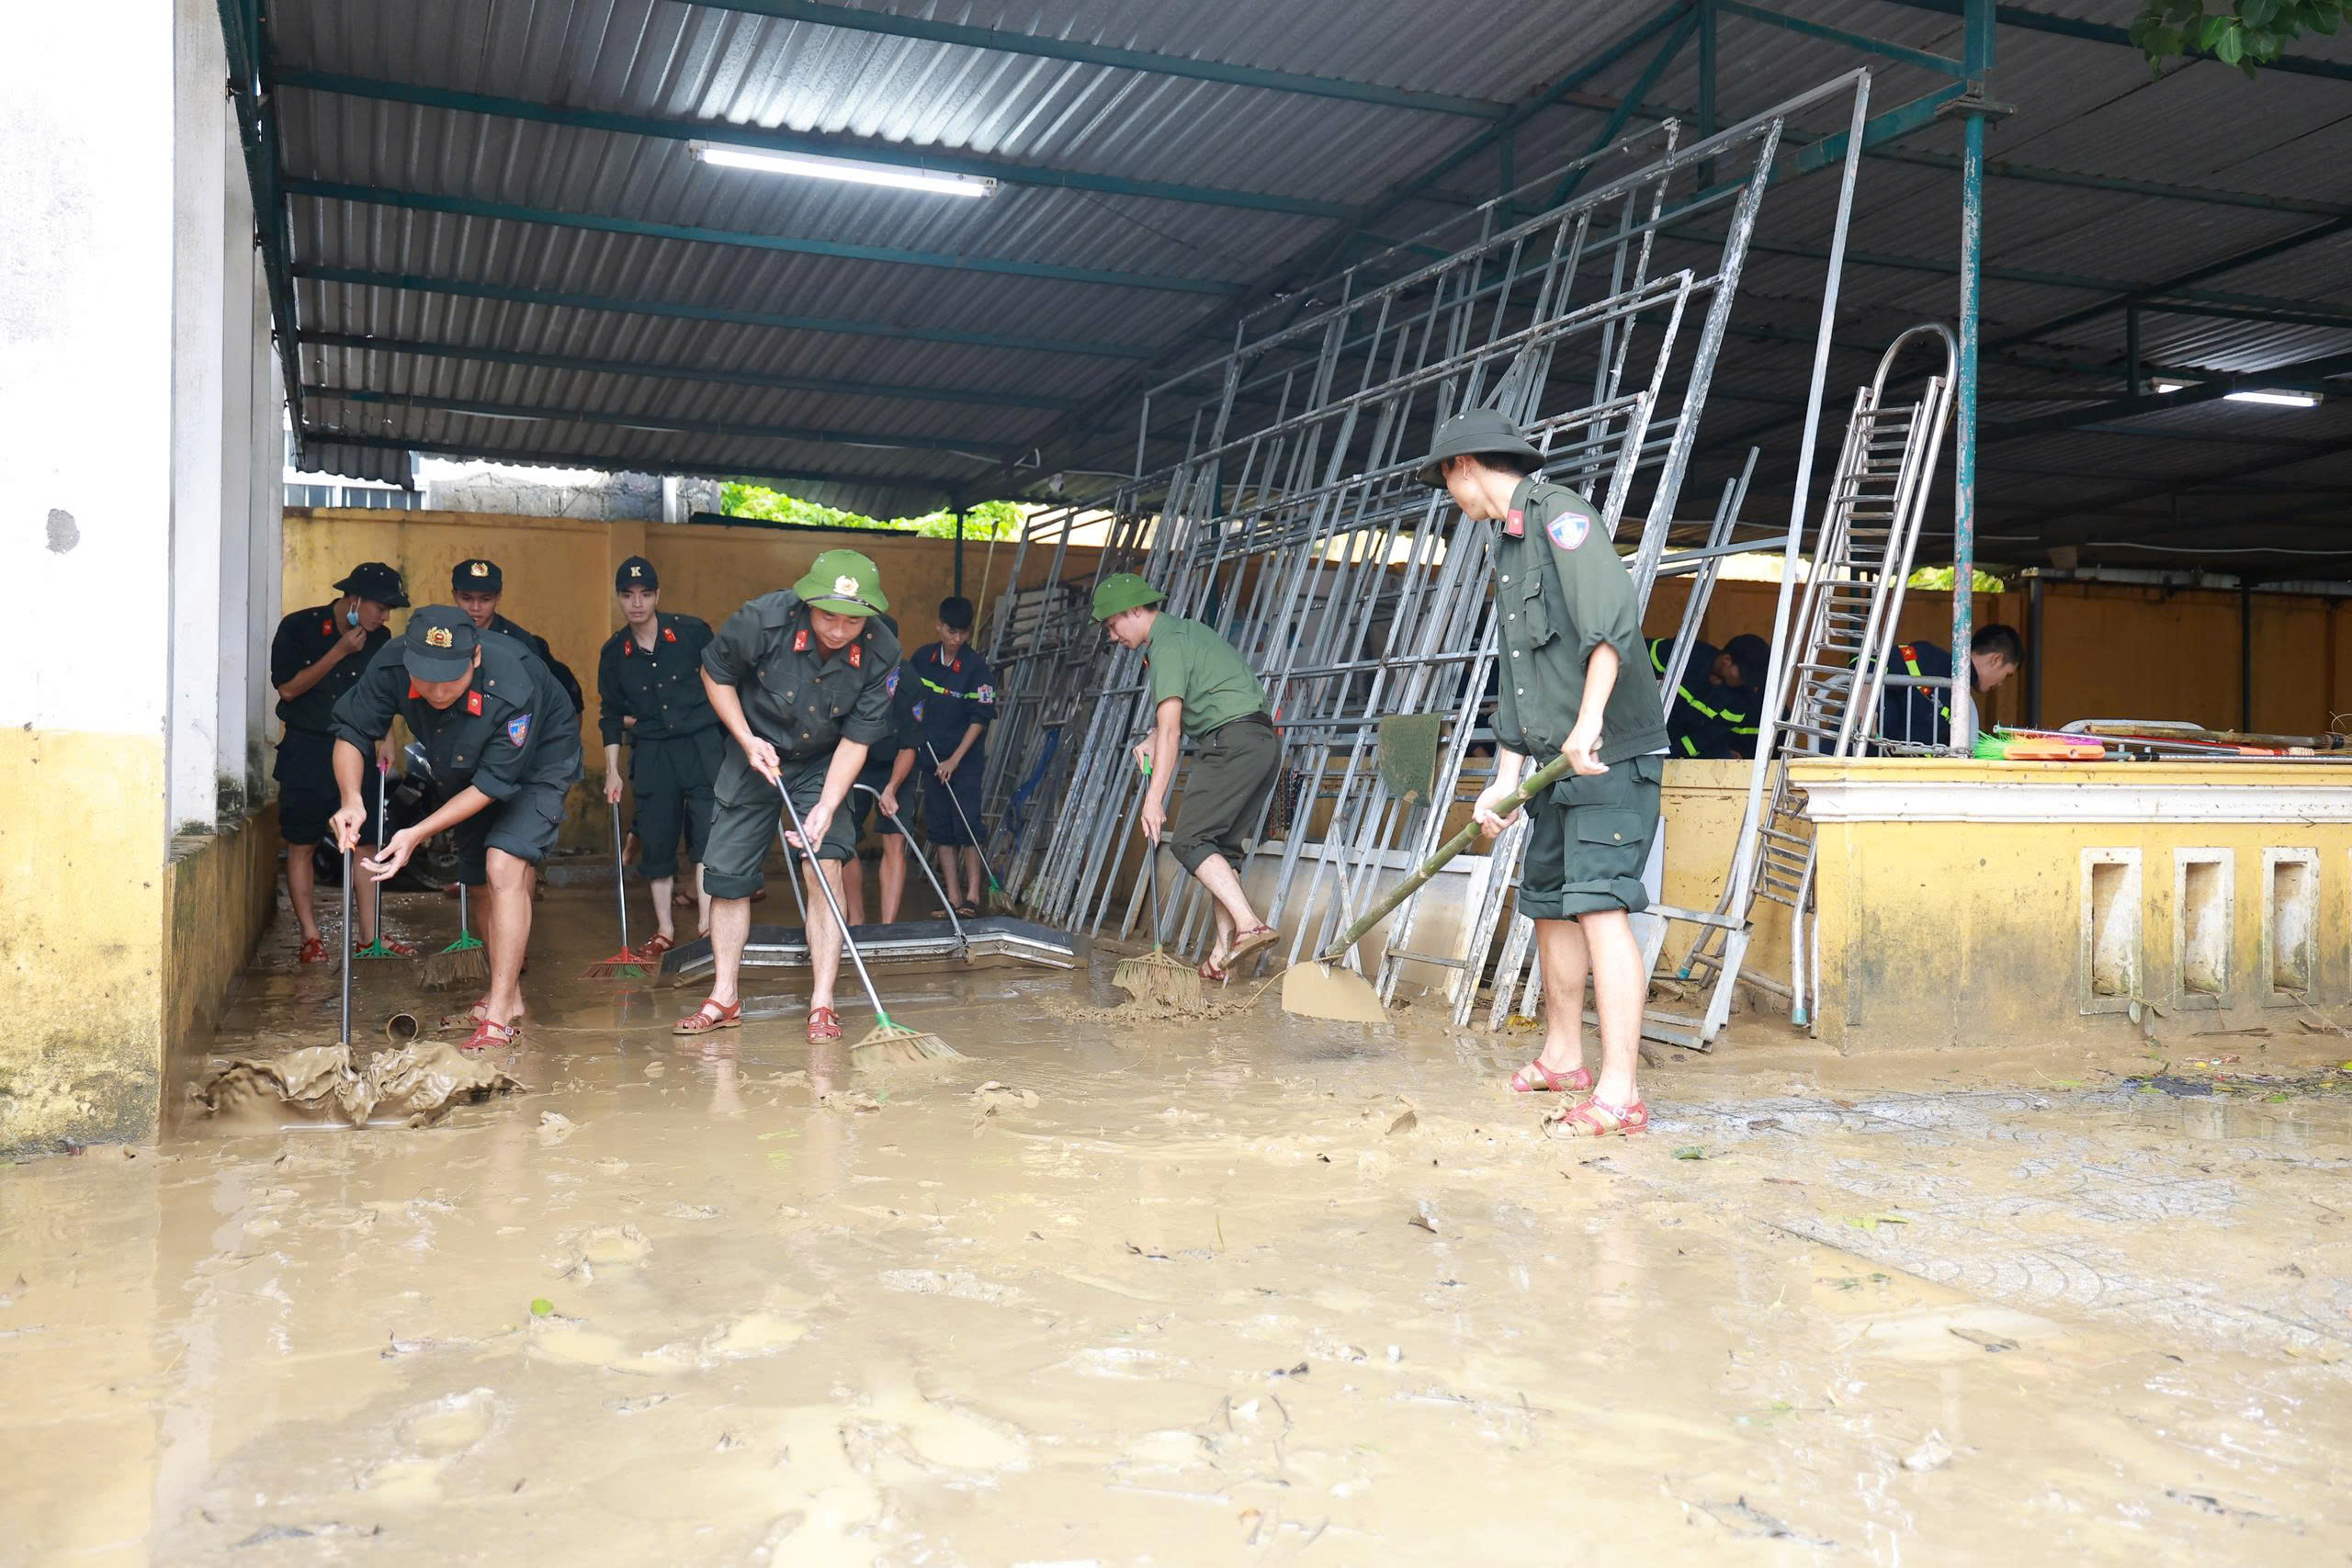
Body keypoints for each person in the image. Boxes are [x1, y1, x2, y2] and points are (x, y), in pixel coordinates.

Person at [1423, 408, 1668, 1138]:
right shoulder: (1509, 545)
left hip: (1607, 755)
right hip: (1555, 765)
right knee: (1551, 904)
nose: (1451, 498)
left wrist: (1590, 721)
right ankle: (1565, 1056)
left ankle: (1621, 1094)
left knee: (1599, 906)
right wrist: (1504, 775)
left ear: (1462, 466)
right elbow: (1521, 675)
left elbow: (1612, 621)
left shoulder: (1562, 517)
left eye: (1446, 482)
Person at [328, 607, 583, 1051]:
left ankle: (500, 1014)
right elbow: (351, 729)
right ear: (409, 661)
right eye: (427, 680)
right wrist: (352, 798)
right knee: (481, 882)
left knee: (504, 863)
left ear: (476, 658)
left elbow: (493, 784)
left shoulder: (514, 683)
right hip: (462, 762)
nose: (440, 691)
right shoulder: (390, 664)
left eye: (452, 678)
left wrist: (415, 833)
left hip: (540, 760)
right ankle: (508, 997)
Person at [675, 549, 899, 1044]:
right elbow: (716, 675)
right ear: (806, 602)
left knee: (826, 865)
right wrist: (744, 738)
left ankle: (823, 1002)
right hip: (754, 748)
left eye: (852, 621)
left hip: (824, 760)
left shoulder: (883, 652)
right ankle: (724, 995)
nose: (839, 631)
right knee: (728, 875)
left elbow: (858, 739)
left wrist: (826, 804)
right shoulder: (762, 620)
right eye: (828, 617)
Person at [1094, 574, 1282, 980]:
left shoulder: (1166, 646)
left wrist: (1154, 798)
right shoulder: (1187, 633)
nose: (1112, 636)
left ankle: (1251, 926)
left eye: (1112, 625)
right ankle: (1220, 958)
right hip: (1261, 743)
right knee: (1222, 852)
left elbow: (1173, 730)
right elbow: (1190, 703)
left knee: (1191, 840)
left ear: (1134, 611)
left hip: (1230, 743)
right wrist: (1150, 736)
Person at [268, 561, 415, 963]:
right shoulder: (298, 627)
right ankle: (311, 937)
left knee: (366, 843)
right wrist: (340, 651)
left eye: (389, 610)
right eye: (380, 607)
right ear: (354, 599)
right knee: (302, 842)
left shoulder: (380, 638)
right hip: (307, 749)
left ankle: (370, 938)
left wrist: (386, 739)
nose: (385, 617)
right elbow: (289, 689)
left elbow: (380, 696)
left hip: (355, 750)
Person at [595, 556, 722, 958]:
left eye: (645, 594)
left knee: (706, 838)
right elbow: (611, 716)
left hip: (701, 746)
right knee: (658, 838)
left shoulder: (691, 633)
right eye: (628, 595)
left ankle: (706, 924)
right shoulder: (615, 652)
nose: (637, 603)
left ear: (657, 596)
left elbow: (723, 681)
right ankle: (665, 929)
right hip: (652, 753)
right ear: (619, 598)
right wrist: (612, 772)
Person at [907, 597, 997, 918]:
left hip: (964, 762)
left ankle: (972, 898)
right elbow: (905, 694)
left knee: (967, 825)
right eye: (950, 631)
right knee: (941, 827)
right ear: (939, 625)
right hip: (932, 758)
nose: (956, 639)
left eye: (962, 633)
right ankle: (954, 898)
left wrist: (955, 760)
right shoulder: (923, 659)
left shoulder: (977, 669)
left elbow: (980, 719)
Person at [840, 619, 923, 929]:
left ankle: (888, 927)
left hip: (894, 763)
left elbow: (910, 744)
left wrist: (891, 788)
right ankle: (857, 921)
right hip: (853, 759)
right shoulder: (847, 670)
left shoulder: (909, 681)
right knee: (844, 840)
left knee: (894, 839)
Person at [450, 558, 585, 715]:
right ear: (454, 595)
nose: (475, 607)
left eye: (485, 599)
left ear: (498, 597)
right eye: (466, 598)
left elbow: (537, 697)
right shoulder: (444, 636)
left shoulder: (519, 641)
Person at [1876, 624, 2023, 750]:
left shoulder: (1965, 702)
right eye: (2007, 674)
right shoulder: (1927, 656)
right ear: (1996, 660)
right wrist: (1864, 708)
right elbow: (1869, 662)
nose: (2000, 683)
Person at [1645, 635, 1736, 759]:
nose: (1746, 682)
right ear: (1726, 660)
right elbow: (1635, 657)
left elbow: (1707, 736)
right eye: (1744, 674)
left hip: (1675, 747)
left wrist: (1671, 754)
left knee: (1723, 755)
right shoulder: (1686, 654)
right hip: (1640, 729)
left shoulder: (1740, 696)